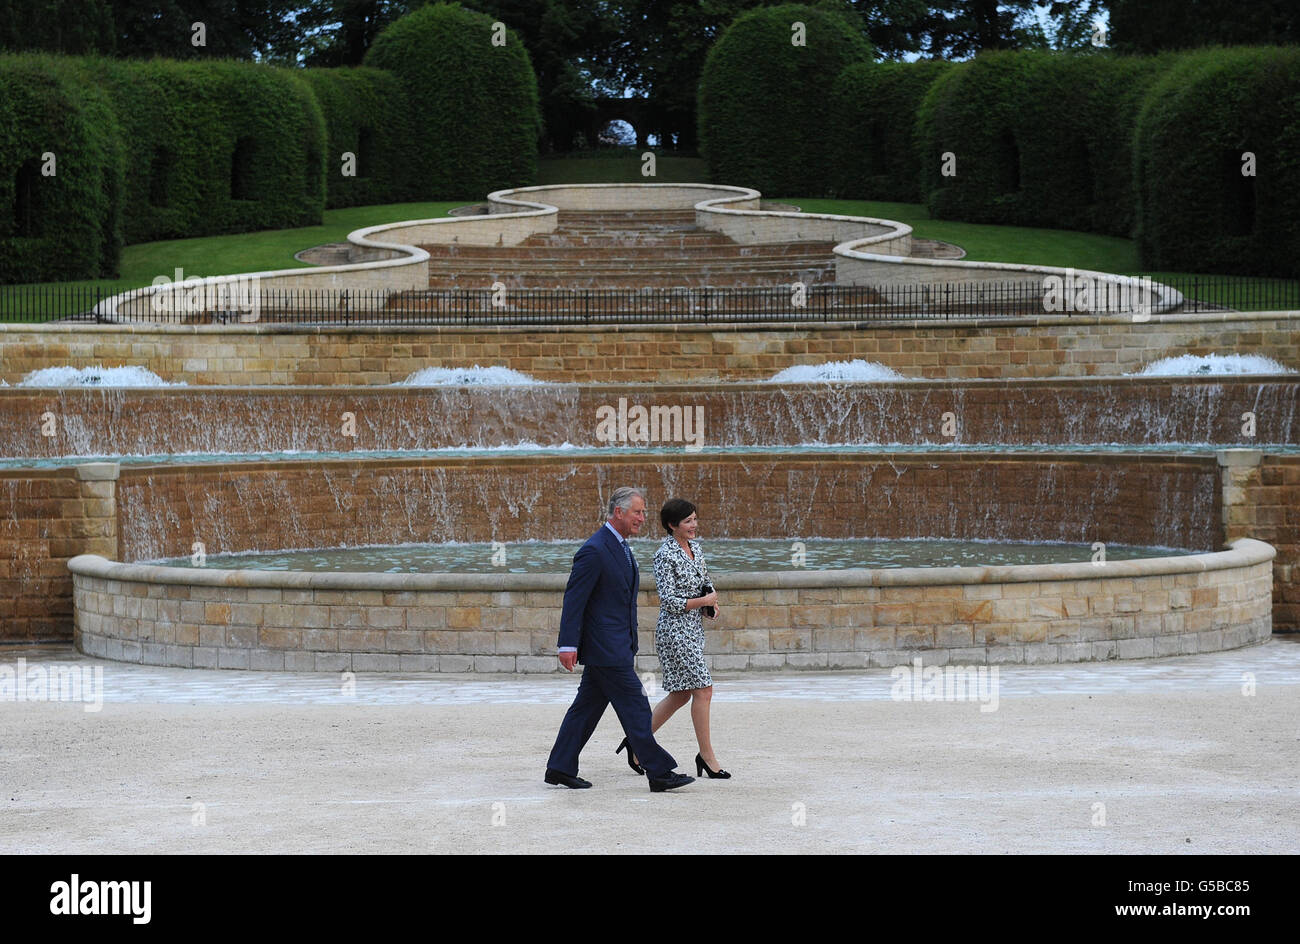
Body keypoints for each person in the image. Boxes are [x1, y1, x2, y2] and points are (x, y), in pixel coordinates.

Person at [544, 486, 695, 793]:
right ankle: (659, 771)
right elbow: (575, 599)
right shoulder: (595, 549)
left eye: (643, 512)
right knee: (636, 707)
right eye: (637, 512)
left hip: (616, 645)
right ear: (619, 512)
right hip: (605, 647)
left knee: (585, 710)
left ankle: (559, 767)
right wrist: (567, 644)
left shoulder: (621, 547)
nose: (642, 518)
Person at [631, 498, 731, 779]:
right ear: (672, 525)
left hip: (693, 630)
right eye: (688, 521)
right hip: (674, 632)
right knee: (703, 689)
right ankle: (707, 757)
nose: (694, 525)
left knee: (681, 694)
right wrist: (702, 601)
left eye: (695, 519)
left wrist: (711, 605)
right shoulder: (664, 555)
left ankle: (638, 741)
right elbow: (669, 601)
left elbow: (704, 583)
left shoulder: (696, 549)